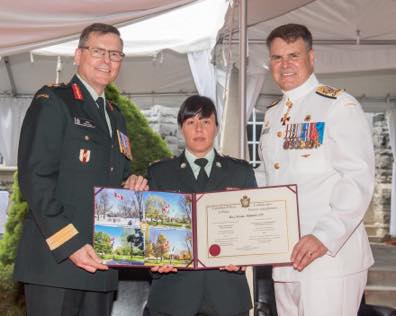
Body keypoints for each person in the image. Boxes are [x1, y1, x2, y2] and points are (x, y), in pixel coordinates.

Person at [14, 23, 147, 316]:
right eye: (98, 51)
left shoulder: (116, 115)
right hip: (57, 263)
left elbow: (114, 179)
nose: (106, 60)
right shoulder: (54, 101)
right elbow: (34, 178)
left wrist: (132, 182)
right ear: (78, 55)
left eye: (115, 54)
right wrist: (70, 244)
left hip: (101, 263)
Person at [258, 23, 375, 315]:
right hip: (285, 256)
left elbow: (357, 178)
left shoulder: (338, 106)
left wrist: (324, 235)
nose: (284, 65)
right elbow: (269, 175)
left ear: (311, 58)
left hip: (328, 257)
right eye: (276, 58)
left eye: (293, 56)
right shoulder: (273, 115)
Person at [146, 95, 257, 316]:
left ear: (216, 127)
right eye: (191, 122)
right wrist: (152, 261)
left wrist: (245, 256)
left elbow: (253, 229)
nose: (199, 129)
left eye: (205, 121)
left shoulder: (240, 171)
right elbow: (147, 231)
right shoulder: (159, 173)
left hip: (227, 298)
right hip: (173, 298)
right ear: (181, 129)